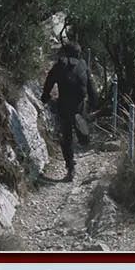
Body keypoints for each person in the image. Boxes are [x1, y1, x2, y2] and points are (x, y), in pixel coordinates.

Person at [41, 41, 94, 182]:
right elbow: (91, 86)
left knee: (66, 137)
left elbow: (49, 80)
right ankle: (84, 136)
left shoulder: (60, 65)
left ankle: (70, 168)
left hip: (64, 104)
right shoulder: (83, 65)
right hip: (79, 105)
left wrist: (45, 96)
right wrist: (94, 103)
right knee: (79, 126)